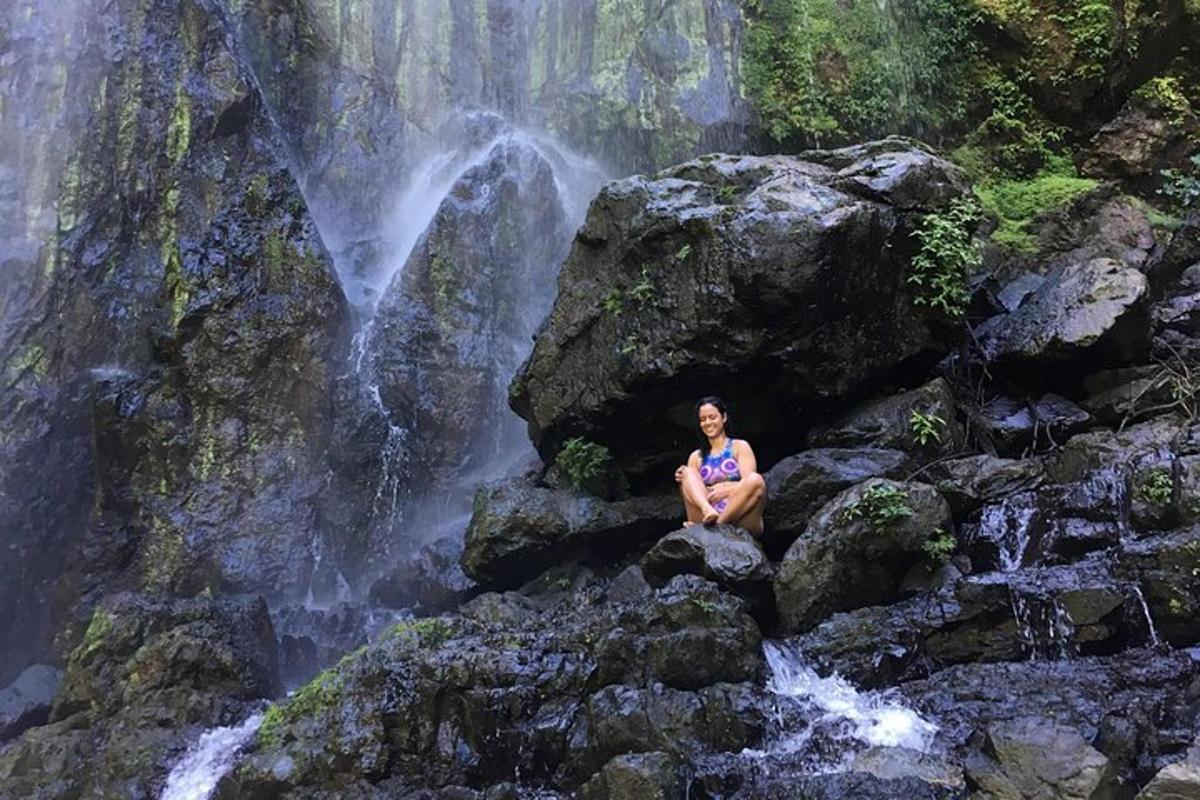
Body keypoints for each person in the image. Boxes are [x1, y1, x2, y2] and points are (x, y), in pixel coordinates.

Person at [674, 396, 767, 535]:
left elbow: (749, 483)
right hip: (706, 514)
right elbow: (691, 492)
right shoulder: (696, 457)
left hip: (740, 515)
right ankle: (708, 512)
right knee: (686, 472)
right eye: (703, 419)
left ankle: (717, 526)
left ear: (723, 418)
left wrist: (726, 490)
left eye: (712, 417)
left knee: (756, 480)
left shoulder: (739, 446)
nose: (708, 422)